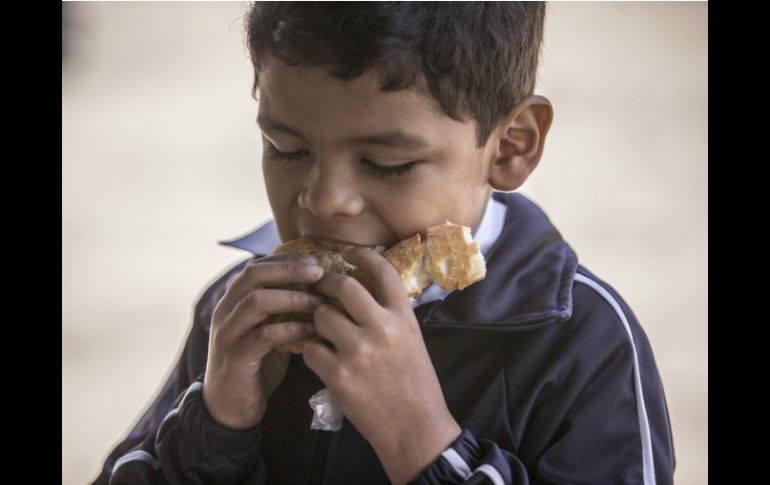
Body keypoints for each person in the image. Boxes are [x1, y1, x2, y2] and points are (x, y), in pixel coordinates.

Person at [91, 2, 675, 484]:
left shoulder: (580, 340)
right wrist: (216, 426)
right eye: (287, 149)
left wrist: (421, 441)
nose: (325, 201)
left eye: (386, 163)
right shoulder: (241, 311)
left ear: (510, 146)